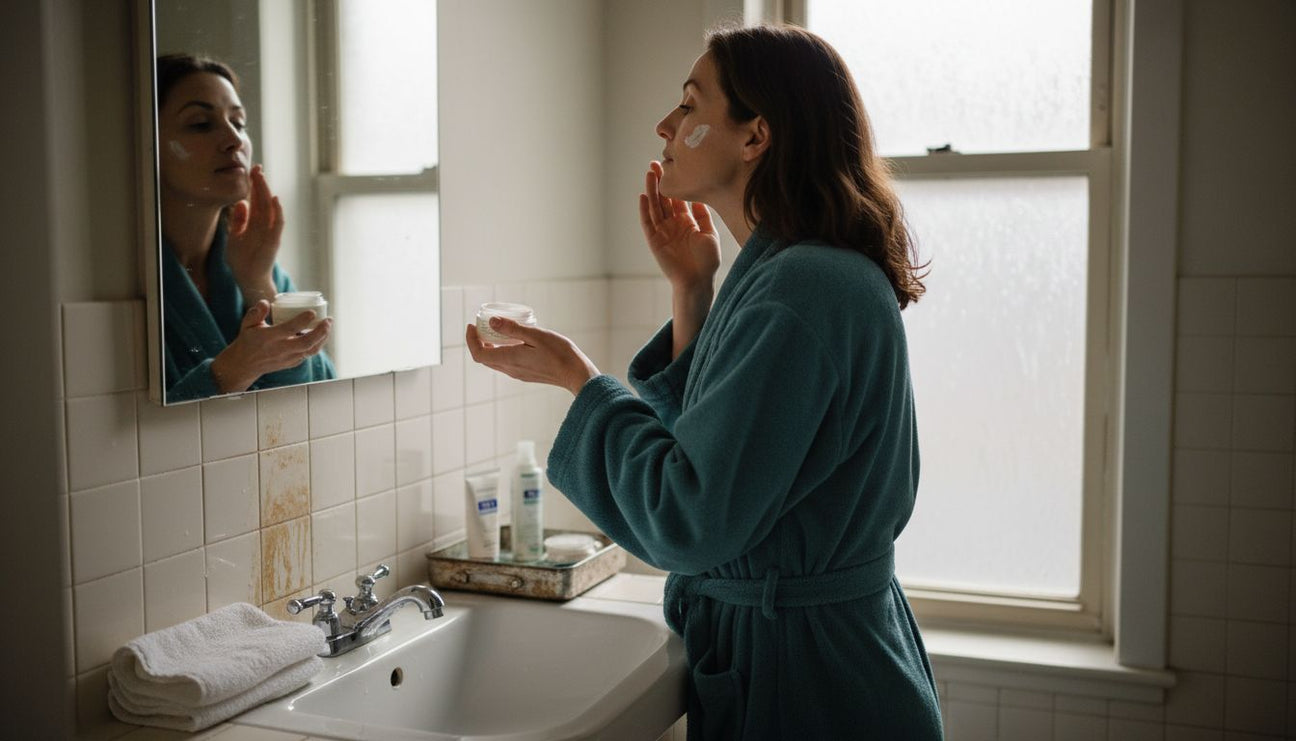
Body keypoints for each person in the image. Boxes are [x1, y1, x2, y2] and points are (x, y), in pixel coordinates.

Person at [467, 24, 942, 740]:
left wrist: (579, 378)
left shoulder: (801, 288)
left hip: (812, 683)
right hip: (824, 655)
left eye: (690, 105)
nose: (664, 124)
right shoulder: (796, 273)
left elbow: (693, 515)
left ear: (755, 138)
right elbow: (728, 456)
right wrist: (692, 289)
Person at [156, 53, 334, 401]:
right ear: (147, 146)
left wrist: (257, 283)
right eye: (200, 124)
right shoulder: (126, 279)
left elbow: (321, 396)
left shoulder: (253, 264)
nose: (234, 140)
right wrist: (231, 370)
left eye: (238, 122)